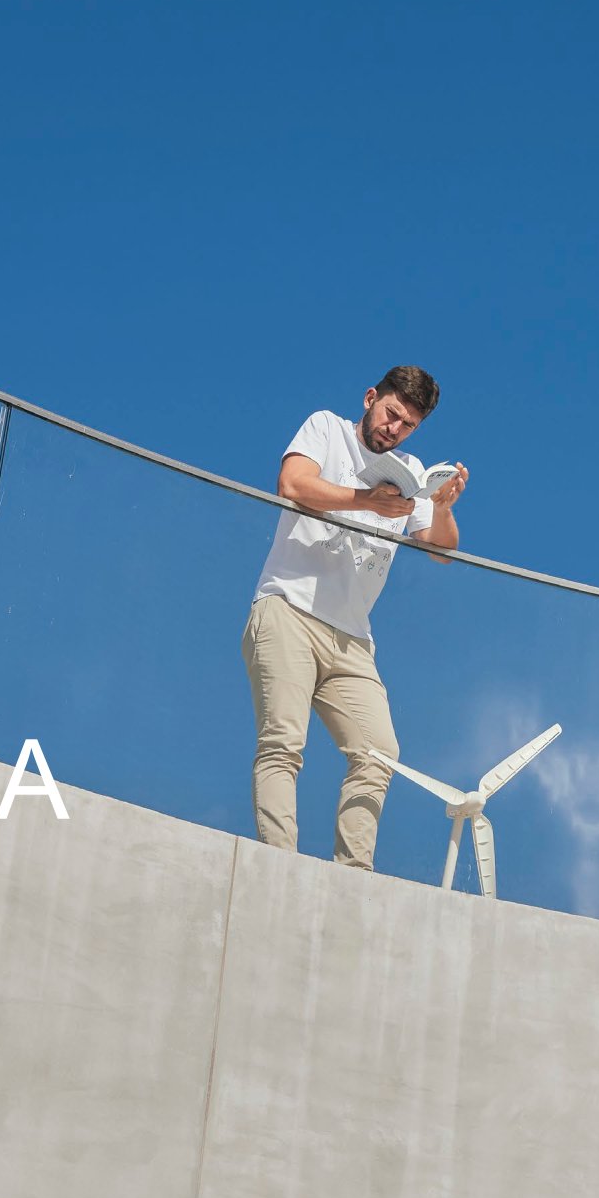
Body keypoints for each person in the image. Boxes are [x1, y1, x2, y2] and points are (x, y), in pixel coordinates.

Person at [243, 366, 467, 869]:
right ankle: (280, 868)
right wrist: (368, 502)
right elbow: (292, 483)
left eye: (408, 425)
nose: (395, 429)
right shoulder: (327, 428)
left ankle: (353, 877)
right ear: (370, 399)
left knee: (378, 753)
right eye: (391, 414)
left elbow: (442, 551)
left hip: (352, 641)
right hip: (290, 608)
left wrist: (443, 508)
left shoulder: (409, 470)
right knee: (283, 743)